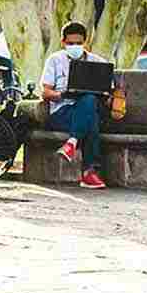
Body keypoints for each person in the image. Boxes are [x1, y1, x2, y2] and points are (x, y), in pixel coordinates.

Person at [41, 20, 108, 189]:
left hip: (88, 108)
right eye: (70, 43)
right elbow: (46, 92)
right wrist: (61, 94)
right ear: (63, 42)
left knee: (89, 101)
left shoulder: (98, 62)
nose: (75, 46)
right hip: (62, 112)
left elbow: (108, 92)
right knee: (90, 118)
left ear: (85, 42)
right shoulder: (54, 60)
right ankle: (89, 173)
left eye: (79, 43)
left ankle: (72, 142)